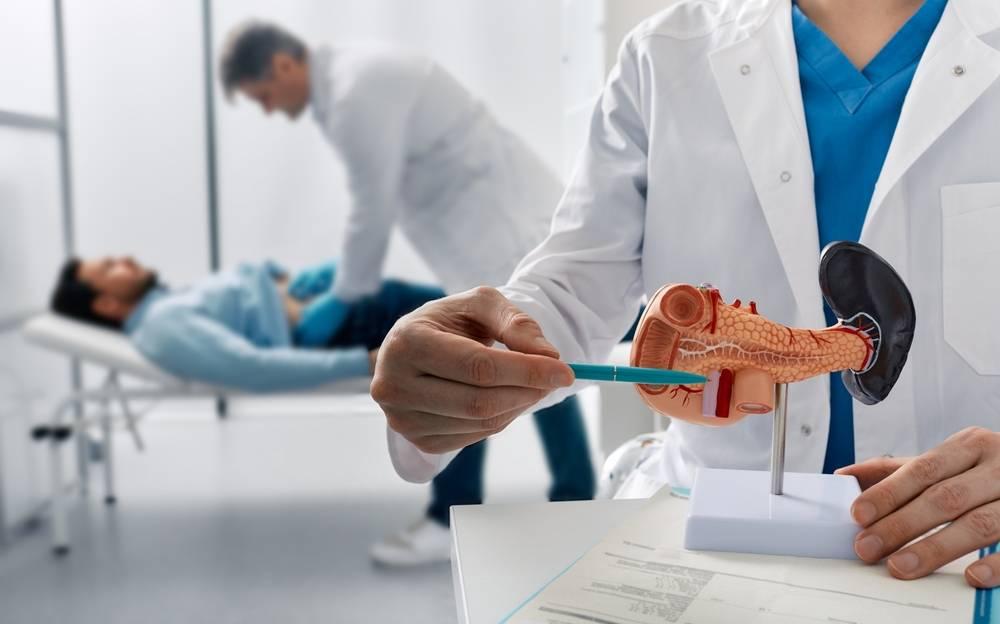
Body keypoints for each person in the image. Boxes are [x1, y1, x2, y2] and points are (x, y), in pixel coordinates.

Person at [372, 0, 1000, 588]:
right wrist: (463, 356)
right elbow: (572, 290)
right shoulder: (665, 57)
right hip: (710, 548)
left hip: (965, 561)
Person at [219, 22, 596, 565]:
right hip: (490, 234)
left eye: (264, 97)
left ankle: (479, 515)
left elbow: (371, 209)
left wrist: (344, 293)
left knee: (506, 365)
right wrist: (340, 277)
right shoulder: (351, 85)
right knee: (527, 363)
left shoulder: (354, 91)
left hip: (503, 234)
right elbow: (381, 199)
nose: (271, 110)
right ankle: (562, 508)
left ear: (281, 65)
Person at [49, 256, 442, 391]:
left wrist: (294, 279)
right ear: (106, 303)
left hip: (353, 308)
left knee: (483, 317)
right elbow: (252, 366)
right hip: (358, 325)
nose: (127, 260)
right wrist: (366, 362)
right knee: (482, 326)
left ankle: (447, 514)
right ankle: (447, 516)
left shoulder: (164, 304)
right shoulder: (160, 326)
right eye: (110, 267)